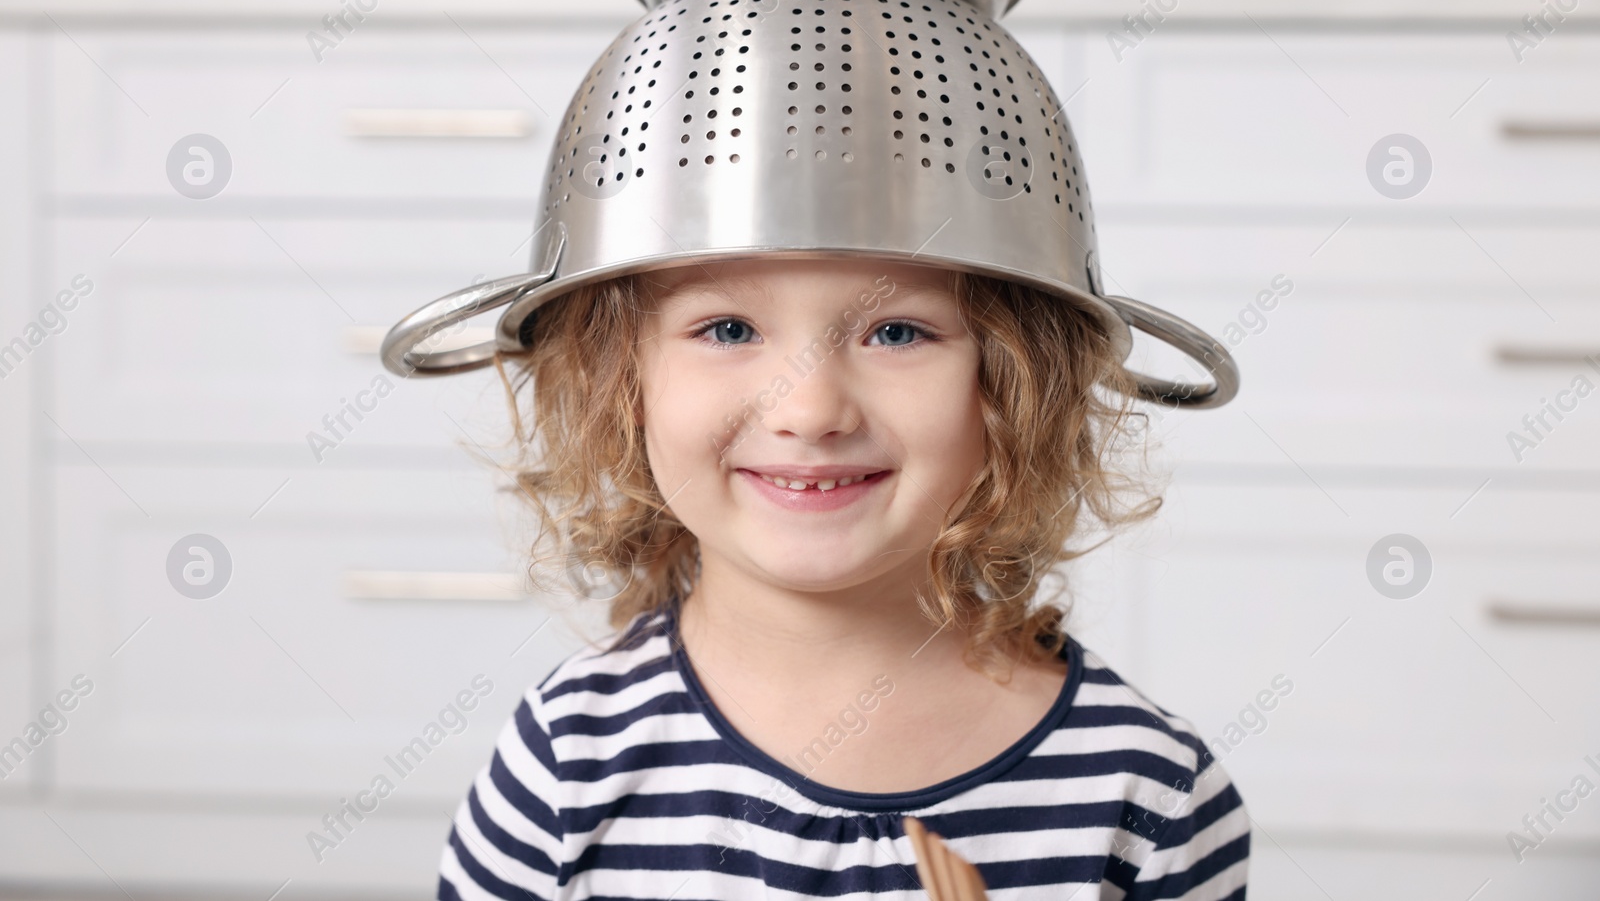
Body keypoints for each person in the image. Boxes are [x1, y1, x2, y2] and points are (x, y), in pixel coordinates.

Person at [432, 253, 1251, 899]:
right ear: (622, 381)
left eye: (896, 332)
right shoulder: (568, 760)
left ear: (1011, 383)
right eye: (727, 327)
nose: (811, 407)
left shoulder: (1147, 789)